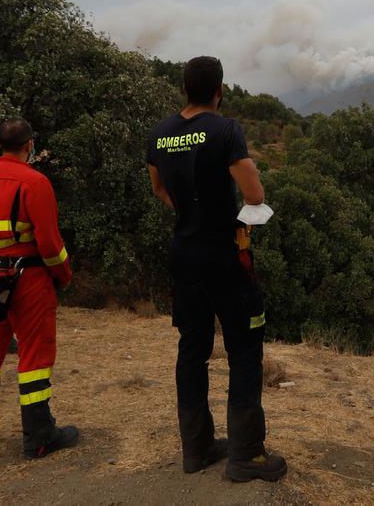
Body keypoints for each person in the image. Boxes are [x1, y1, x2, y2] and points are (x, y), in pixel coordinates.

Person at [146, 56, 287, 482]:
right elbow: (254, 192)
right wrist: (229, 218)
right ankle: (246, 454)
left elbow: (159, 189)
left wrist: (191, 216)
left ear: (184, 88)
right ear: (219, 90)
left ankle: (197, 447)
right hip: (225, 255)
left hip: (184, 251)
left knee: (193, 348)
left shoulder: (159, 133)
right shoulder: (226, 130)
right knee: (244, 351)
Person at [0, 117, 79, 459]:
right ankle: (40, 437)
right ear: (30, 145)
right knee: (35, 354)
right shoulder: (34, 182)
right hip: (26, 278)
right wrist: (64, 275)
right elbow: (50, 243)